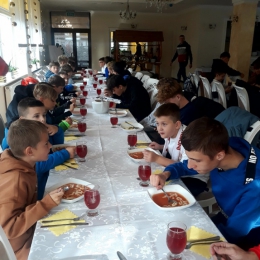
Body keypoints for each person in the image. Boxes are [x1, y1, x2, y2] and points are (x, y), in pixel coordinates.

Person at [150, 117, 260, 247]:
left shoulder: (254, 185)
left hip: (249, 236)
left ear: (219, 155)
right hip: (225, 217)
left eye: (196, 160)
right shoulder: (227, 147)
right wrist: (165, 174)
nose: (190, 165)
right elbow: (185, 166)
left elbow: (235, 232)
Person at [0, 119, 64, 260]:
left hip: (30, 230)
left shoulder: (25, 162)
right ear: (29, 151)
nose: (50, 146)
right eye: (46, 144)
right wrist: (46, 204)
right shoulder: (15, 180)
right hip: (20, 247)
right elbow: (8, 228)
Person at [2, 98, 75, 199]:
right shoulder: (18, 138)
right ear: (22, 119)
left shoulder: (38, 129)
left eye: (44, 115)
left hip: (43, 182)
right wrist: (65, 154)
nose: (42, 119)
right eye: (36, 116)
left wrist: (57, 130)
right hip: (33, 192)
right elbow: (37, 166)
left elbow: (55, 146)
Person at [143, 103, 208, 196]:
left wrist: (156, 158)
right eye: (157, 123)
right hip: (179, 171)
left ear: (177, 124)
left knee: (162, 192)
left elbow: (185, 166)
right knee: (152, 184)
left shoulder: (188, 139)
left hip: (195, 177)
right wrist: (160, 146)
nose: (159, 128)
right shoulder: (171, 132)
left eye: (164, 124)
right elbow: (172, 146)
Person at [140, 78, 225, 128]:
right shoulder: (180, 107)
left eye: (168, 101)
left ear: (178, 97)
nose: (167, 105)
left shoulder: (189, 113)